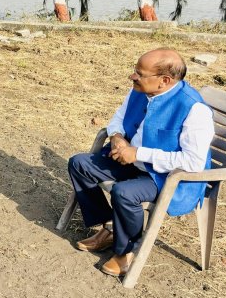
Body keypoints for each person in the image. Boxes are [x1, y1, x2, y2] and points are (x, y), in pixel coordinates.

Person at [67, 48, 214, 277]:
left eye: (139, 73)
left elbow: (193, 162)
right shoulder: (140, 90)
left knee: (124, 193)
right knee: (79, 164)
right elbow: (118, 117)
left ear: (164, 81)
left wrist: (138, 154)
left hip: (168, 177)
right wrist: (117, 137)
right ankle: (110, 227)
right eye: (135, 71)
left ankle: (126, 252)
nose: (132, 77)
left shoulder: (194, 109)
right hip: (131, 161)